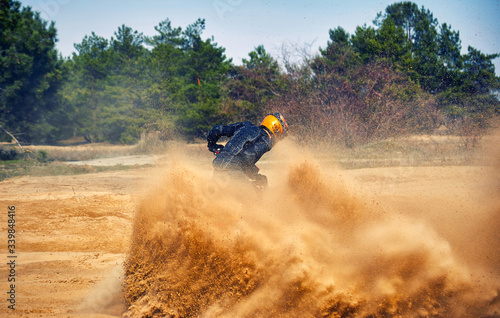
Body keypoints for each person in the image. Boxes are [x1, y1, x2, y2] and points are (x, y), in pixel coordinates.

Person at [206, 112, 288, 189]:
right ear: (276, 129)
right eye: (280, 136)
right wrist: (254, 175)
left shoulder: (246, 125)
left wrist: (212, 146)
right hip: (233, 172)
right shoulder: (266, 141)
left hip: (219, 163)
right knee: (258, 190)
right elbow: (247, 157)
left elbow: (217, 130)